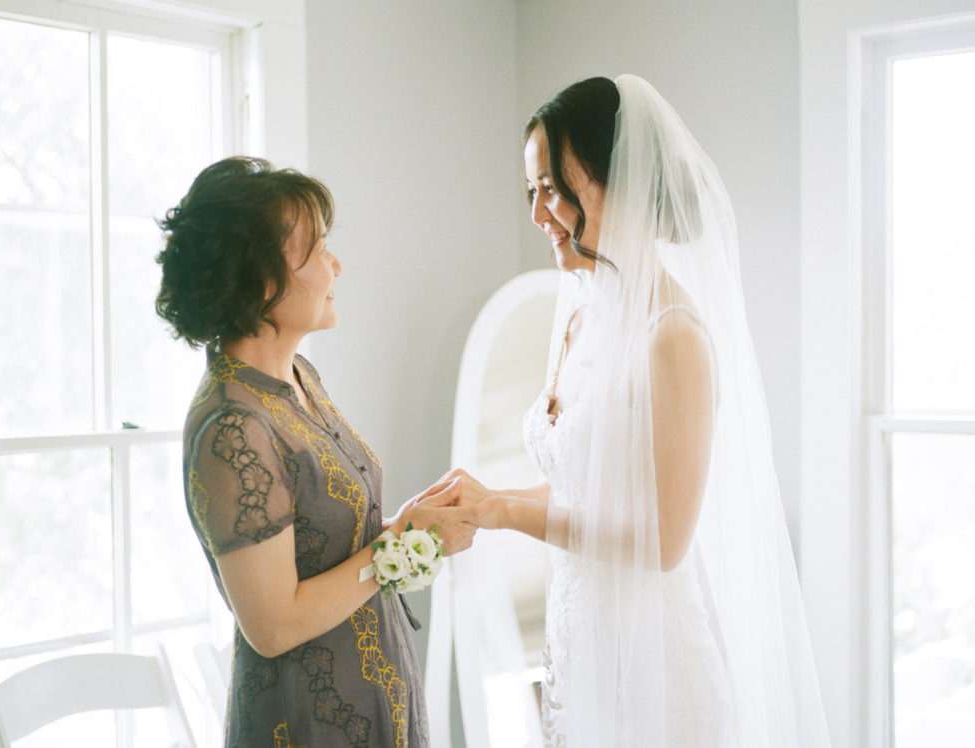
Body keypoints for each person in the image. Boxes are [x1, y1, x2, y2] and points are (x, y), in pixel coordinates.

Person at [446, 76, 832, 746]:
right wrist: (491, 495)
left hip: (653, 673)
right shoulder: (583, 317)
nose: (537, 213)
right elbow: (585, 484)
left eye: (549, 189)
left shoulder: (672, 334)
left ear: (609, 177)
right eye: (530, 192)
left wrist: (506, 513)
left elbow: (662, 540)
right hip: (580, 646)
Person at [155, 156, 486, 748]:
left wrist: (413, 528)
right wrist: (403, 542)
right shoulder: (231, 425)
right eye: (319, 250)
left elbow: (320, 550)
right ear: (260, 280)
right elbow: (274, 624)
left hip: (379, 695)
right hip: (307, 723)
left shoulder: (298, 377)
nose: (338, 265)